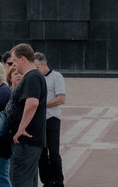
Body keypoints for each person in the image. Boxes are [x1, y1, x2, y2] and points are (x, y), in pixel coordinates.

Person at [7, 43, 47, 187]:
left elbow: (32, 104)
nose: (13, 64)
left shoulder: (32, 77)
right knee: (28, 181)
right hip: (28, 141)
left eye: (14, 61)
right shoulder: (33, 76)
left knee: (19, 180)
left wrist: (21, 129)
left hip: (26, 141)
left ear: (23, 58)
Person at [34, 53, 66, 187]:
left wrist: (41, 105)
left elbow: (61, 99)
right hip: (38, 120)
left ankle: (59, 182)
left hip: (52, 119)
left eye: (36, 67)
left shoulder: (56, 76)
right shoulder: (34, 78)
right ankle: (47, 181)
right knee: (41, 153)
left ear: (44, 64)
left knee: (53, 153)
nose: (35, 70)